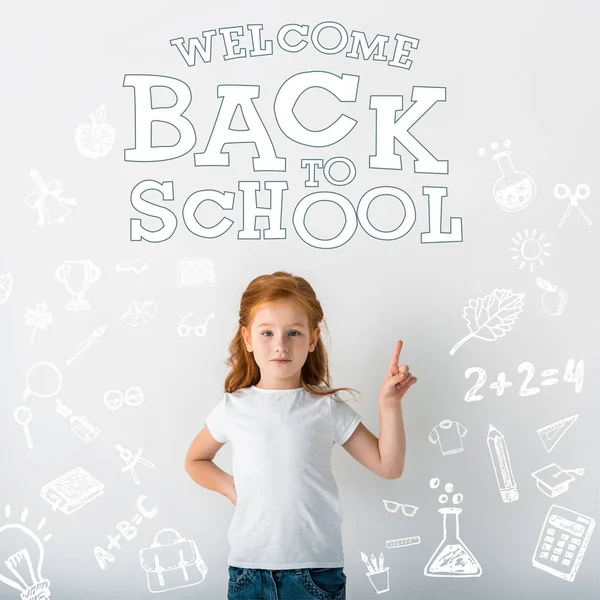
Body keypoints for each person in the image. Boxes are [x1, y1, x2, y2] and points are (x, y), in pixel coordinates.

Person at [184, 271, 417, 599]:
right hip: (248, 572)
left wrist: (389, 405)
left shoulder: (327, 408)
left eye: (293, 332)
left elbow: (388, 466)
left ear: (312, 339)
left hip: (316, 573)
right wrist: (231, 488)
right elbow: (195, 459)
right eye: (267, 332)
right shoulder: (233, 407)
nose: (280, 345)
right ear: (248, 338)